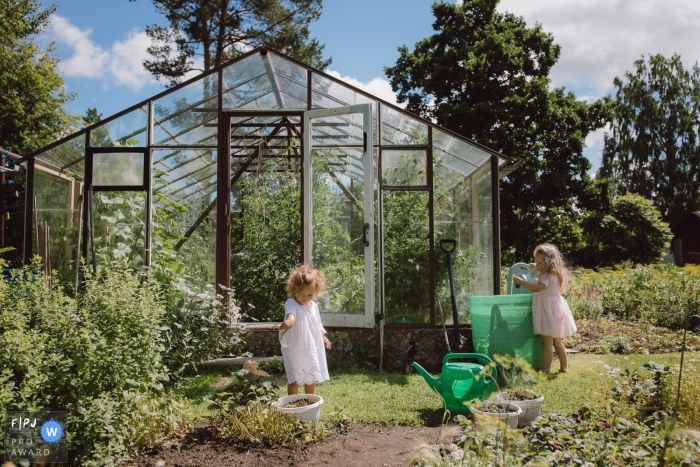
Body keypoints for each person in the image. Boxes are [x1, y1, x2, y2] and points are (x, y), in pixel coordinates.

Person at [513, 243, 577, 373]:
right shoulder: (553, 273)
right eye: (537, 263)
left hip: (548, 313)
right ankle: (564, 367)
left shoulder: (547, 277)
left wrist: (521, 282)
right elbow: (540, 269)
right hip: (555, 311)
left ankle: (546, 370)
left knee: (547, 344)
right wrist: (536, 265)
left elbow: (537, 288)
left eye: (540, 263)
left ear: (549, 263)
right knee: (557, 343)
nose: (538, 266)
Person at [279, 264, 332, 395]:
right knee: (294, 379)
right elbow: (291, 314)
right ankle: (293, 403)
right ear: (294, 289)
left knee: (311, 376)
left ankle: (309, 402)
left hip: (311, 346)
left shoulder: (313, 306)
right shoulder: (291, 303)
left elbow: (317, 324)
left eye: (309, 294)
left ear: (316, 292)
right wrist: (290, 321)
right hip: (296, 346)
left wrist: (323, 336)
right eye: (301, 293)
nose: (304, 297)